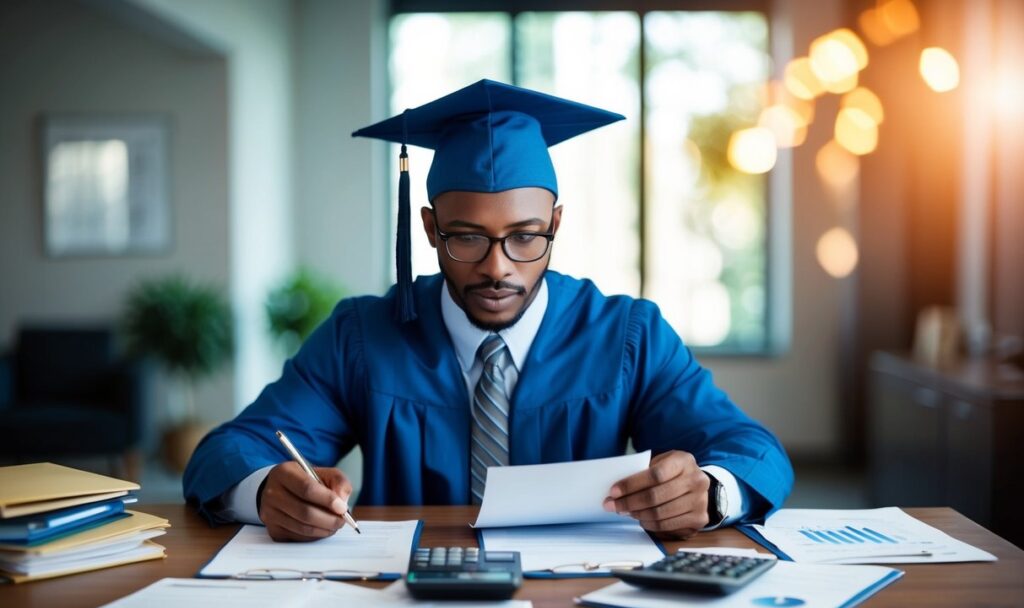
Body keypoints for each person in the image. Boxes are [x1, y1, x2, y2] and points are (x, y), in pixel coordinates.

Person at [184, 79, 793, 542]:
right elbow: (227, 450)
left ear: (556, 223)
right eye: (467, 237)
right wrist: (267, 490)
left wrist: (712, 493)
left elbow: (749, 447)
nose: (498, 267)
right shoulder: (362, 334)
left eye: (526, 236)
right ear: (429, 228)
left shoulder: (628, 334)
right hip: (404, 595)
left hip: (583, 604)